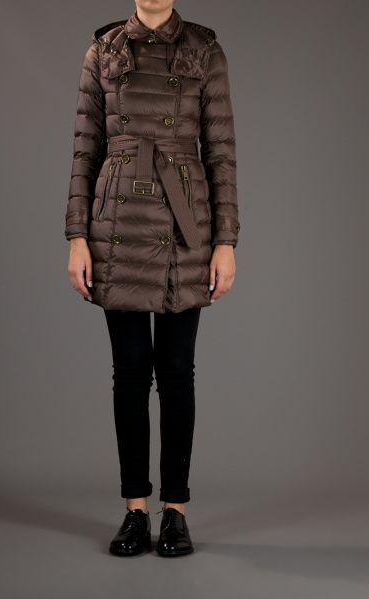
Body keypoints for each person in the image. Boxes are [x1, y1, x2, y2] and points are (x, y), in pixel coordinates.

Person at [65, 0, 239, 557]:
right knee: (130, 373)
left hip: (185, 225)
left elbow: (221, 154)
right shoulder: (104, 50)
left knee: (178, 373)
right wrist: (76, 236)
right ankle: (135, 510)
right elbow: (85, 149)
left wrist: (226, 242)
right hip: (116, 224)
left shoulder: (205, 51)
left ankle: (176, 512)